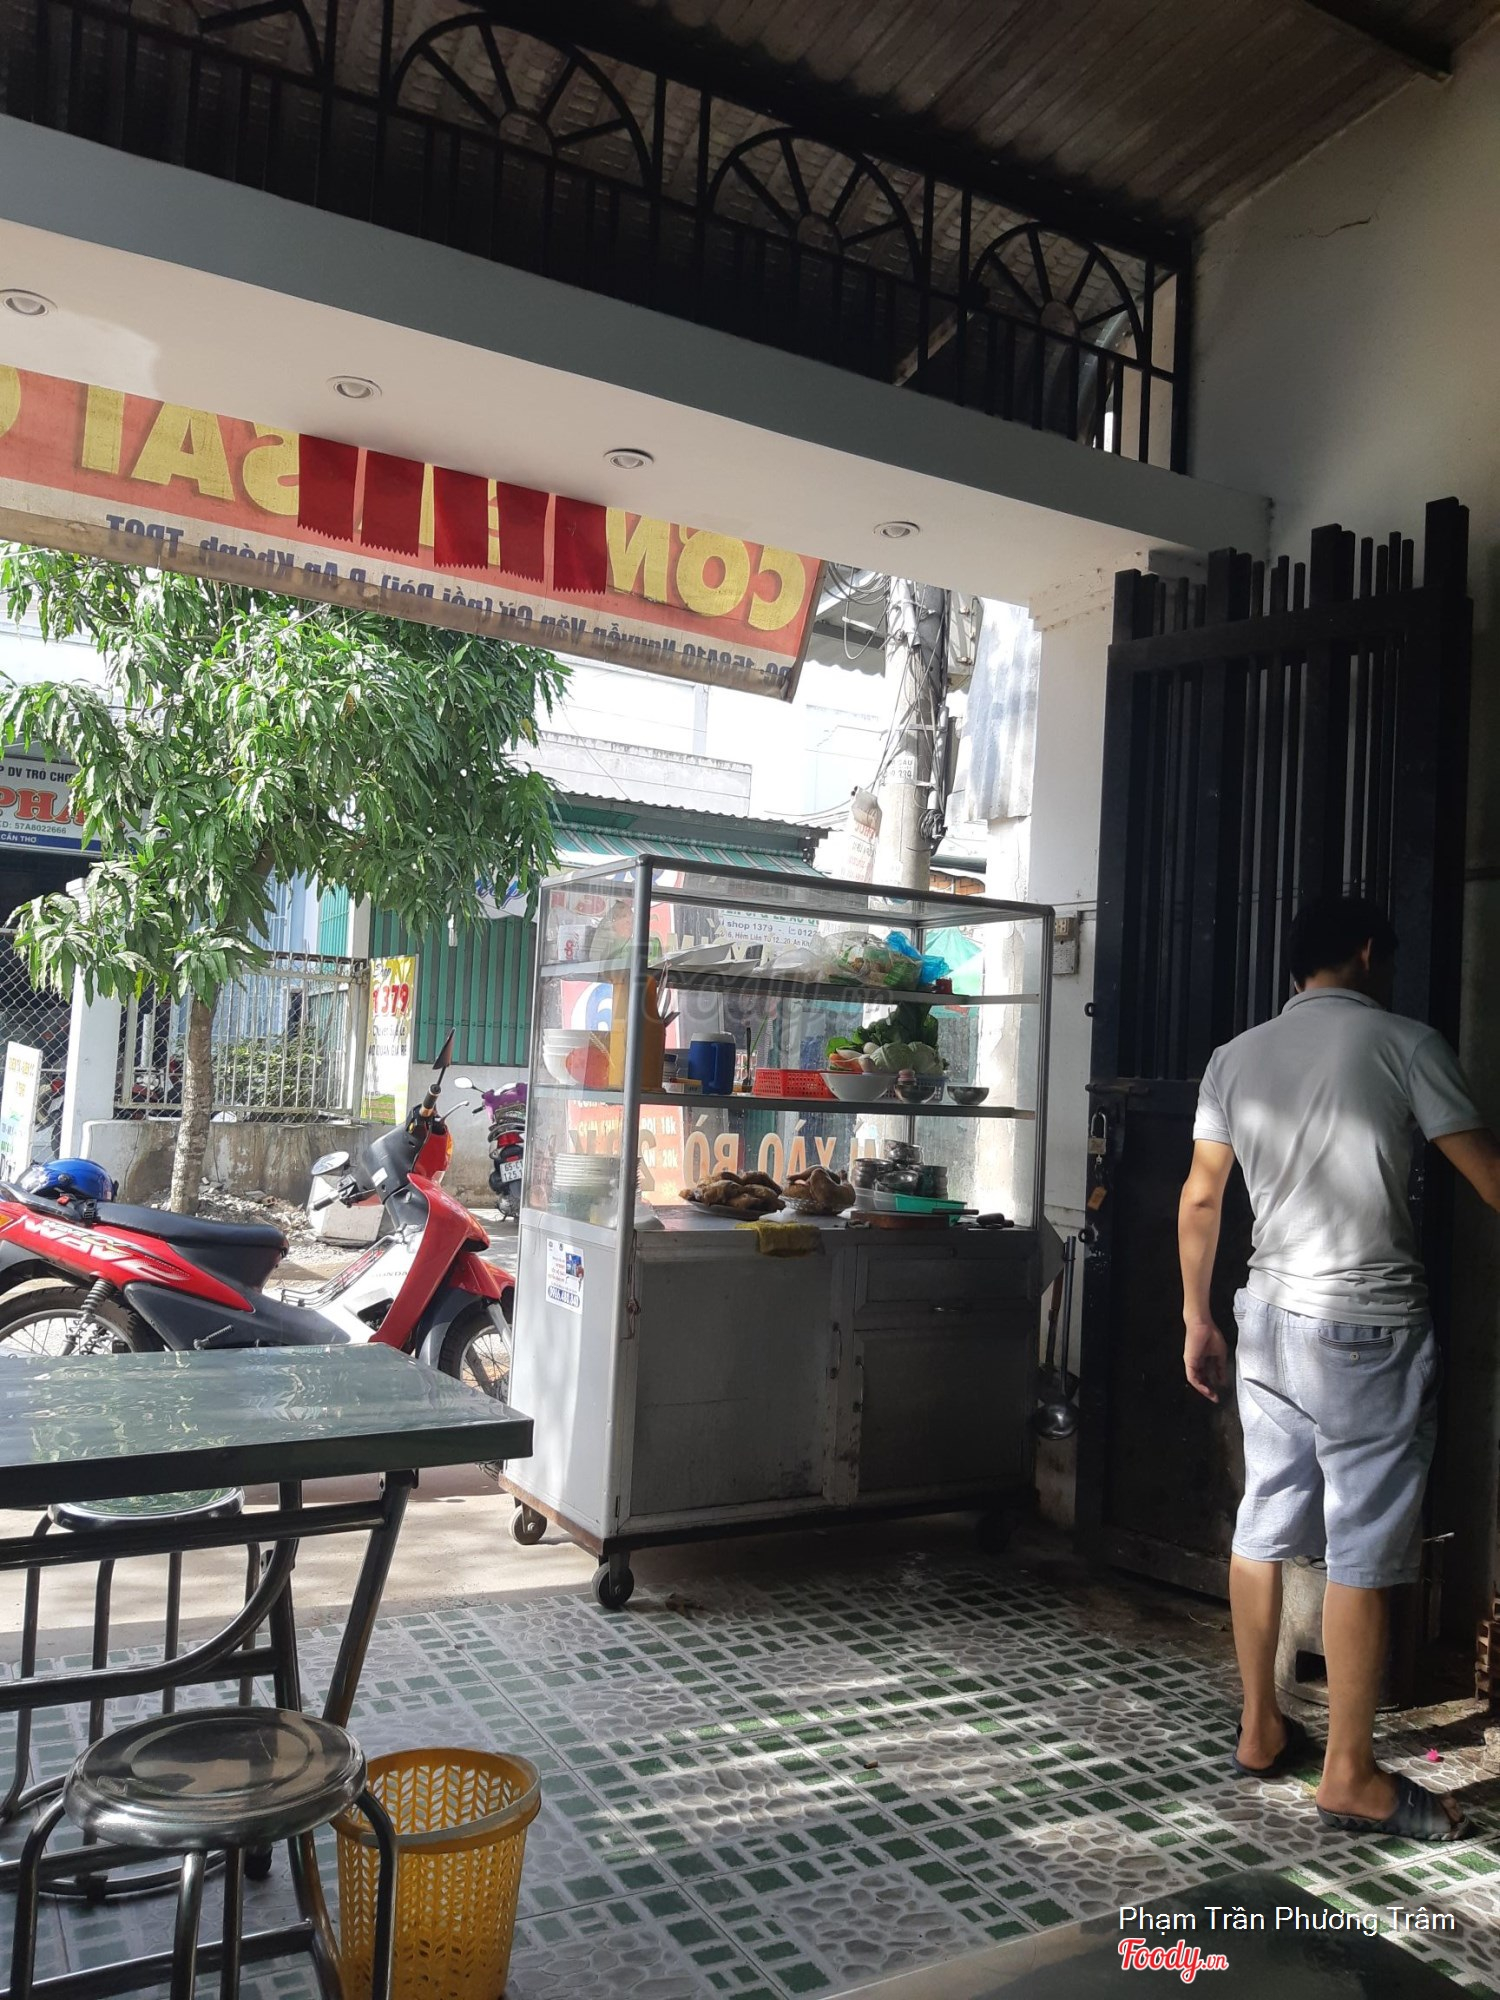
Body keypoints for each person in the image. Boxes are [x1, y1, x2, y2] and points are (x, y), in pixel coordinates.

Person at [1178, 894, 1500, 1842]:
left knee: (1265, 1519)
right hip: (1367, 1327)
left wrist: (1197, 1317)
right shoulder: (1406, 1043)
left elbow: (1201, 1198)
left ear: (1296, 966)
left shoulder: (1235, 1058)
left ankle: (1260, 1727)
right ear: (1366, 954)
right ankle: (1351, 1775)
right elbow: (1486, 1173)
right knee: (1363, 1543)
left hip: (1266, 1318)